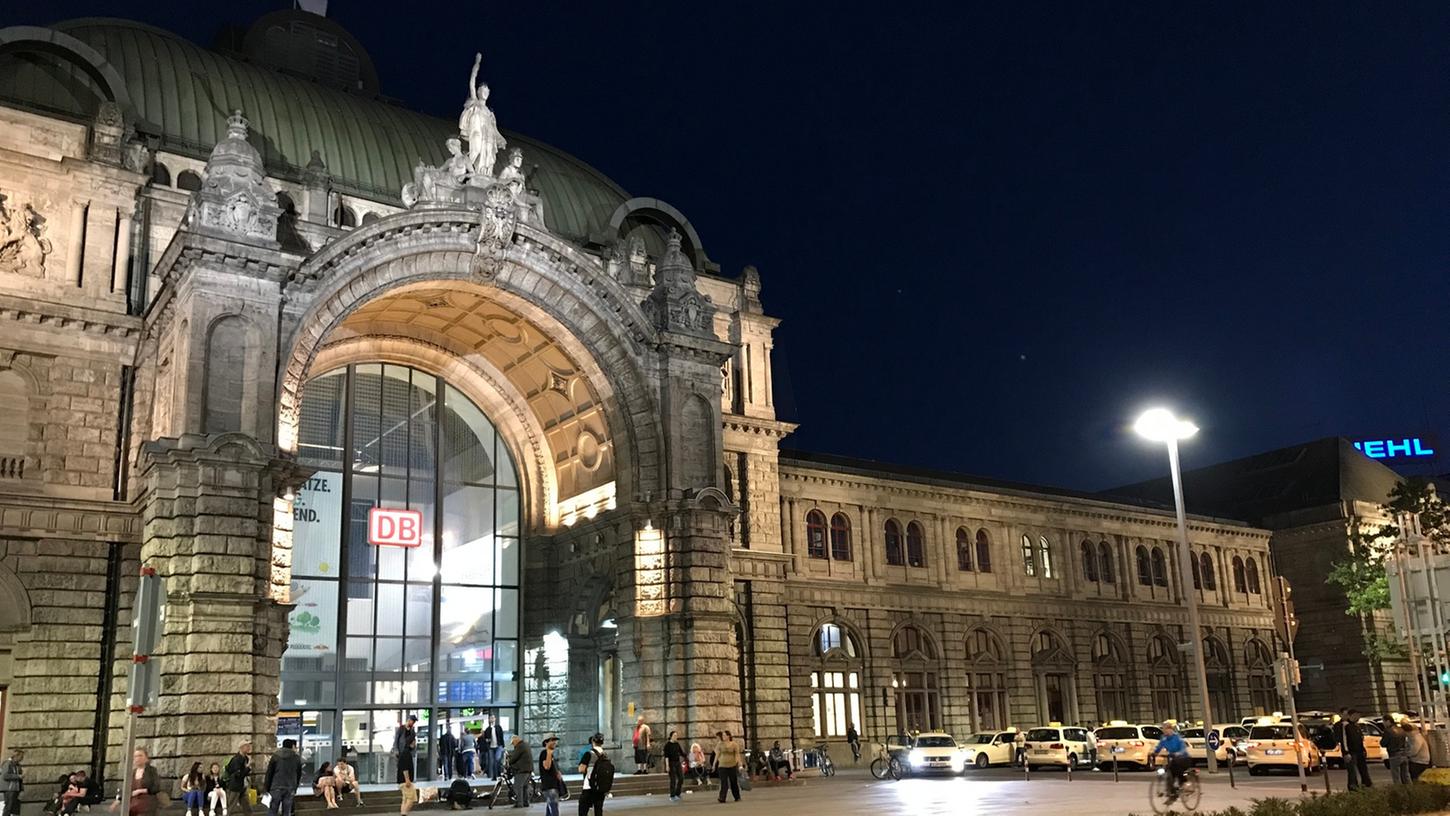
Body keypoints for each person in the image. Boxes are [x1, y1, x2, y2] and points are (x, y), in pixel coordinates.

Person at [1148, 723, 1191, 804]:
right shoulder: (1164, 739)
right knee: (1169, 774)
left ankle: (1185, 782)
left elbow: (1183, 748)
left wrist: (1178, 753)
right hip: (1173, 759)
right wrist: (1154, 753)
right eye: (1163, 729)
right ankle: (1172, 794)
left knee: (1177, 769)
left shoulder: (1177, 738)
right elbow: (1159, 747)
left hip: (1184, 758)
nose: (1165, 731)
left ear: (1171, 729)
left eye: (1166, 729)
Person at [263, 739, 302, 816]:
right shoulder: (296, 758)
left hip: (276, 787)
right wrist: (295, 787)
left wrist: (266, 788)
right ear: (292, 746)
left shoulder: (275, 756)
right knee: (287, 811)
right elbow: (299, 774)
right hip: (290, 787)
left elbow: (270, 773)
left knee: (272, 810)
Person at [576, 733, 608, 816]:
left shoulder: (589, 754)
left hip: (589, 786)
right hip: (600, 787)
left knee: (583, 809)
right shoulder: (605, 755)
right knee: (598, 811)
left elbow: (581, 769)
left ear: (593, 741)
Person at [1341, 710, 1372, 791]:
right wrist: (1346, 752)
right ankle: (1353, 786)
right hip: (1351, 752)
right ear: (1352, 715)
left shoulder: (1357, 726)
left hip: (1360, 751)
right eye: (1357, 715)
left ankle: (1366, 784)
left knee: (1363, 768)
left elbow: (1360, 739)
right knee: (1352, 771)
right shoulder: (1346, 726)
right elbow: (1344, 740)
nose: (1358, 717)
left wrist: (1363, 750)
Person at [125, 749, 160, 816]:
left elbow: (156, 787)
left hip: (147, 804)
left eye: (140, 755)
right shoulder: (132, 772)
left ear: (146, 758)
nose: (138, 758)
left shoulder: (151, 771)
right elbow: (126, 788)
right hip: (132, 805)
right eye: (135, 756)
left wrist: (141, 791)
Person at [222, 742, 253, 816]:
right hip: (235, 786)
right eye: (247, 746)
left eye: (249, 746)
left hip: (242, 786)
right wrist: (248, 767)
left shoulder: (246, 758)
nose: (249, 747)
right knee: (231, 806)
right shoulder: (236, 760)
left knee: (247, 806)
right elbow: (238, 775)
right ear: (241, 748)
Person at [538, 736, 563, 816]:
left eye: (555, 740)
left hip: (553, 785)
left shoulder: (551, 754)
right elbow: (547, 766)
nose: (555, 742)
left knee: (550, 809)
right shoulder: (545, 753)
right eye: (552, 740)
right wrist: (549, 752)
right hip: (549, 786)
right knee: (554, 809)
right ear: (546, 742)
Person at [714, 732, 741, 804]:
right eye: (722, 735)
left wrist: (739, 764)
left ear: (728, 736)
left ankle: (737, 796)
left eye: (724, 735)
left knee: (733, 782)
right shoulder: (720, 744)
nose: (723, 737)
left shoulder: (734, 744)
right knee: (724, 783)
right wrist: (714, 764)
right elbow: (717, 754)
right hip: (722, 766)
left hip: (732, 765)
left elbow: (737, 755)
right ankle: (722, 798)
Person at [505, 735, 531, 808]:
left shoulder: (520, 747)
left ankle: (519, 803)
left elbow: (514, 758)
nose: (513, 745)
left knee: (517, 786)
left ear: (516, 741)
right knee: (524, 787)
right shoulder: (525, 745)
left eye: (513, 743)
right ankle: (526, 802)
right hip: (528, 769)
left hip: (522, 770)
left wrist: (509, 760)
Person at [1382, 715, 1409, 784]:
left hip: (1394, 755)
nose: (1383, 723)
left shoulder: (1388, 731)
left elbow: (1383, 743)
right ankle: (1409, 790)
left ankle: (1399, 792)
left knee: (1396, 776)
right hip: (1404, 754)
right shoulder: (1401, 729)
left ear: (1388, 721)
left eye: (1384, 721)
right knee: (1405, 776)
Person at [394, 716, 419, 785]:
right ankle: (402, 781)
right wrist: (396, 750)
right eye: (412, 721)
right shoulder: (401, 729)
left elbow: (413, 742)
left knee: (408, 767)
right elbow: (396, 740)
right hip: (402, 751)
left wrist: (413, 747)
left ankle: (408, 780)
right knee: (402, 768)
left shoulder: (412, 731)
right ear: (409, 720)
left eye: (414, 722)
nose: (413, 723)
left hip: (408, 751)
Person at [662, 731, 684, 801]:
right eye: (674, 735)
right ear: (671, 736)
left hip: (677, 762)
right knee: (673, 779)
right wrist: (667, 766)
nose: (676, 737)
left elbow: (681, 752)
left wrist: (687, 757)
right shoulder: (667, 745)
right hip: (671, 763)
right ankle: (672, 795)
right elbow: (666, 756)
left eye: (676, 735)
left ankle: (678, 793)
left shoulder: (677, 744)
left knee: (681, 778)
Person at [2, 749, 23, 816]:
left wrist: (21, 789)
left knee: (14, 809)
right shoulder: (7, 763)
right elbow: (5, 776)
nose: (22, 759)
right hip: (9, 789)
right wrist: (18, 776)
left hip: (16, 789)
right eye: (21, 757)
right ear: (16, 756)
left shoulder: (17, 765)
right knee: (8, 807)